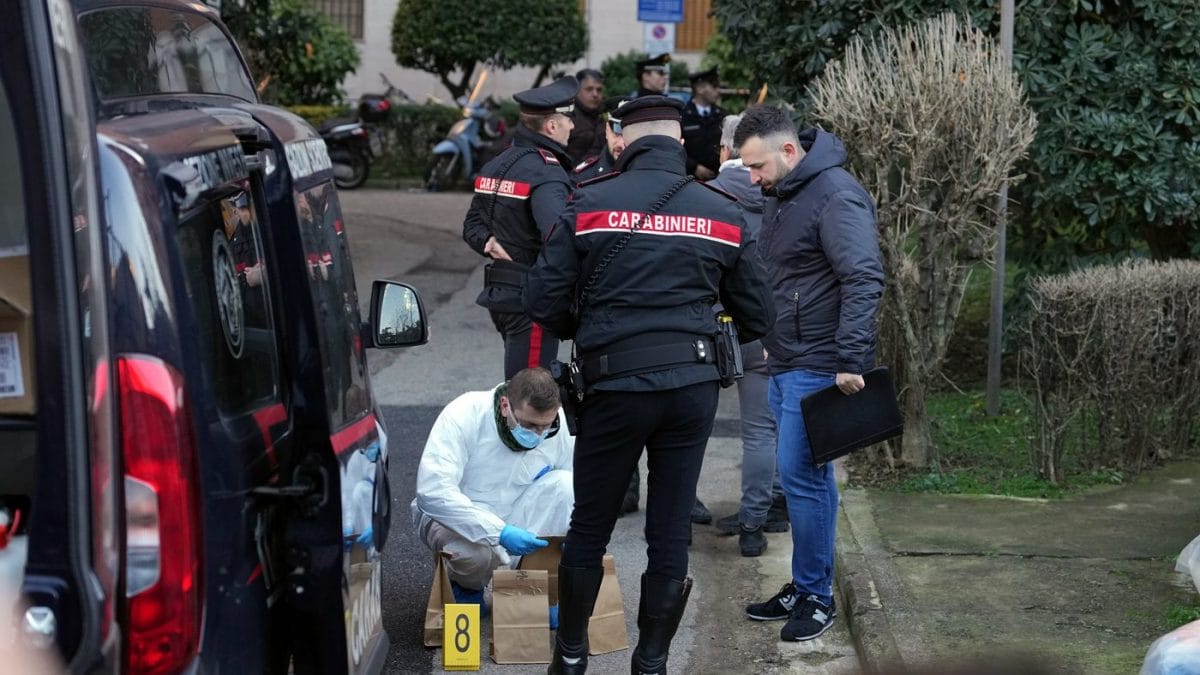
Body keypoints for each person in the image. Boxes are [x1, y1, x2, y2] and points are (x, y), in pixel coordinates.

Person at [524, 96, 774, 674]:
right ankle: (652, 662)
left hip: (613, 387)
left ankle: (571, 656)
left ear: (621, 141)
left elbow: (543, 301)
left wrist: (584, 326)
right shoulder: (722, 211)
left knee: (591, 524)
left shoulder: (586, 203)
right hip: (691, 388)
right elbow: (758, 315)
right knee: (668, 529)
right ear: (681, 142)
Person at [734, 105, 884, 641]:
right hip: (789, 358)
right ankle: (804, 584)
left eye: (756, 166)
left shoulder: (835, 194)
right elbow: (789, 278)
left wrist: (851, 359)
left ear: (789, 151)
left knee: (804, 478)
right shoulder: (788, 193)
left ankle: (817, 596)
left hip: (820, 363)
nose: (752, 178)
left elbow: (863, 277)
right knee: (803, 477)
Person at [411, 367, 574, 617]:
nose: (538, 435)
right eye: (530, 425)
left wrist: (572, 534)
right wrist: (498, 532)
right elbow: (433, 491)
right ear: (505, 405)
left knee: (565, 484)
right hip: (458, 518)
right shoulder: (465, 414)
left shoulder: (557, 426)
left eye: (546, 427)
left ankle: (532, 585)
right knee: (475, 551)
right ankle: (466, 585)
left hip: (514, 513)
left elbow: (576, 484)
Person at [706, 114, 790, 557]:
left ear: (725, 150)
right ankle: (774, 505)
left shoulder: (711, 195)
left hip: (736, 327)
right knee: (777, 422)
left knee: (755, 429)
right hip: (786, 325)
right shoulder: (785, 189)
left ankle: (752, 522)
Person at [462, 76, 577, 379]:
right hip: (532, 299)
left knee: (520, 385)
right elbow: (558, 237)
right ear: (551, 126)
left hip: (501, 292)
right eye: (568, 119)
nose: (573, 126)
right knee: (528, 394)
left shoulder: (498, 163)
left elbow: (472, 224)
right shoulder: (547, 173)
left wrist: (489, 242)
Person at [680, 67, 725, 180]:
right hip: (689, 179)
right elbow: (676, 148)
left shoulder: (722, 115)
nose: (718, 90)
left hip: (718, 179)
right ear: (699, 88)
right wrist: (694, 167)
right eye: (714, 86)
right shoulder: (682, 116)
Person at [571, 96, 627, 185]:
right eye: (616, 134)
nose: (621, 143)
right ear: (607, 130)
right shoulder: (583, 178)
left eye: (627, 135)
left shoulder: (652, 170)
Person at [566, 69, 606, 165]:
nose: (595, 94)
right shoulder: (566, 118)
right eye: (589, 89)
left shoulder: (606, 115)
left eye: (599, 90)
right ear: (577, 90)